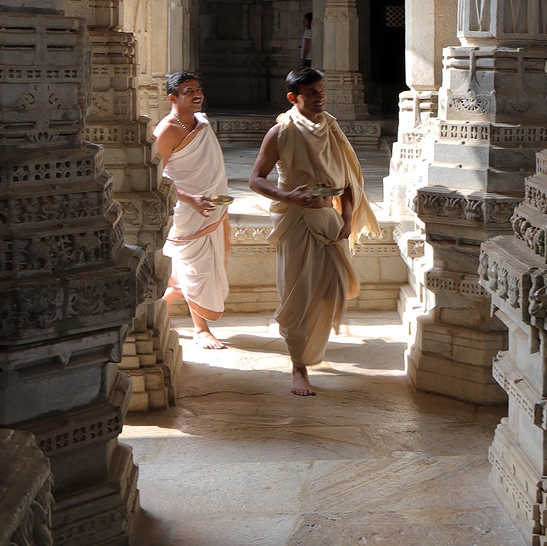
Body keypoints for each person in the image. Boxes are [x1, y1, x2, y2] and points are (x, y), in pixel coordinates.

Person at [249, 68, 380, 395]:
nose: (320, 97)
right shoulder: (281, 132)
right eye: (311, 92)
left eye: (322, 91)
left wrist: (348, 218)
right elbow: (256, 179)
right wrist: (286, 196)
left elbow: (349, 181)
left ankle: (311, 347)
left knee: (335, 287)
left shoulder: (332, 129)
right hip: (295, 222)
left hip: (329, 221)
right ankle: (299, 367)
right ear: (294, 97)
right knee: (297, 297)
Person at [154, 70, 231, 349]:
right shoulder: (166, 131)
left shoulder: (202, 123)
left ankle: (158, 307)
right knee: (198, 269)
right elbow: (157, 176)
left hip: (213, 208)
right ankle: (201, 330)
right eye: (188, 91)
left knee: (200, 267)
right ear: (172, 97)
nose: (197, 94)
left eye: (198, 89)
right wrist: (190, 198)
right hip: (188, 211)